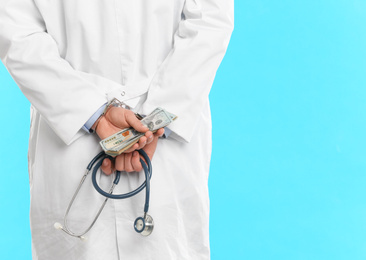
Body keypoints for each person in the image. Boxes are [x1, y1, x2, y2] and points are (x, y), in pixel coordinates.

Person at [0, 0, 234, 259]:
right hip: (73, 134)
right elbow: (16, 32)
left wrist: (153, 122)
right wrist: (95, 115)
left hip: (163, 143)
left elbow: (210, 19)